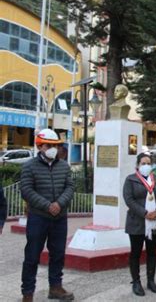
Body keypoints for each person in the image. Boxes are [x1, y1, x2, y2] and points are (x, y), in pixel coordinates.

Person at [20, 129, 75, 302]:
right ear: (40, 146)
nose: (53, 149)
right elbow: (26, 190)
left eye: (56, 146)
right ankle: (28, 293)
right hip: (38, 218)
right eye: (49, 145)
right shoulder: (29, 166)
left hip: (59, 218)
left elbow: (70, 187)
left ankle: (55, 287)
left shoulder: (64, 166)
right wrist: (47, 205)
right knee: (32, 256)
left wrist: (59, 204)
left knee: (58, 254)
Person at [123, 153, 156, 296]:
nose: (146, 166)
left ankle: (151, 280)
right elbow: (129, 199)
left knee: (152, 252)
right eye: (143, 163)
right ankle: (136, 282)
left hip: (154, 222)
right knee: (135, 253)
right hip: (137, 222)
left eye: (149, 163)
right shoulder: (130, 180)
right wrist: (144, 212)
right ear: (137, 165)